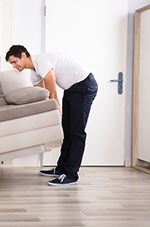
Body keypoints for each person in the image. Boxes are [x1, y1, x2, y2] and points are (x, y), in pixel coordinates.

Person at [5, 45, 98, 186]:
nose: (13, 66)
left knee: (76, 132)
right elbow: (44, 98)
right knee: (67, 131)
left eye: (14, 62)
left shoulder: (42, 63)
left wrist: (55, 120)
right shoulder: (34, 74)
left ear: (23, 55)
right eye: (11, 63)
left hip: (84, 86)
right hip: (71, 89)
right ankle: (61, 169)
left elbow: (53, 94)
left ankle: (71, 175)